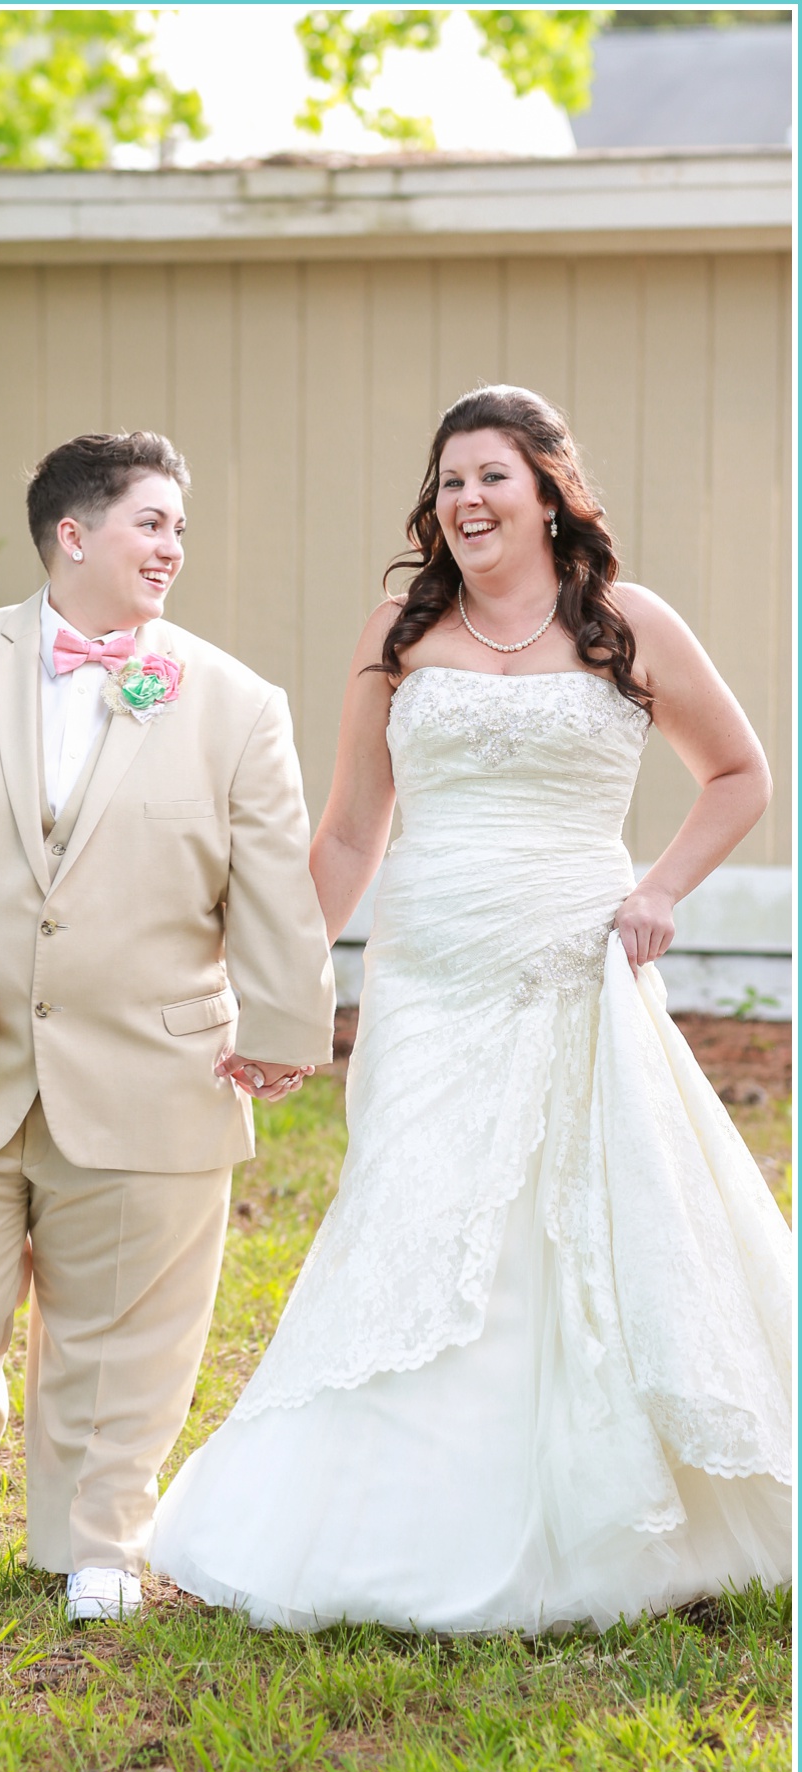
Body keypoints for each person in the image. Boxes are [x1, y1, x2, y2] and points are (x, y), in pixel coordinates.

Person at [150, 385, 792, 1634]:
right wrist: (284, 997)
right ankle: (375, 1516)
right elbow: (349, 829)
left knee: (577, 1226)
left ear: (550, 490)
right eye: (449, 481)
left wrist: (659, 889)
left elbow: (740, 773)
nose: (466, 501)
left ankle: (583, 1511)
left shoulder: (628, 621)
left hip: (573, 963)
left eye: (492, 476)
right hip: (432, 970)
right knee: (410, 1208)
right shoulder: (401, 626)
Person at [0, 431, 335, 1622]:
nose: (174, 547)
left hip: (157, 1061)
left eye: (181, 529)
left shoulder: (239, 704)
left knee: (130, 1321)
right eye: (153, 522)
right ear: (73, 532)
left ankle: (97, 1532)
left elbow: (272, 890)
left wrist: (289, 1020)